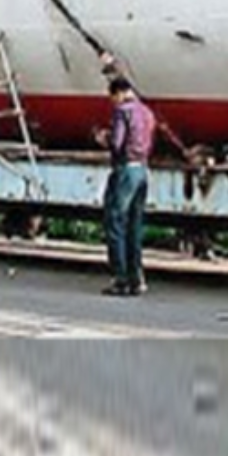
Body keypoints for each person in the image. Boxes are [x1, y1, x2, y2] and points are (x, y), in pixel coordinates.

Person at [95, 77, 155, 297]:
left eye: (112, 98)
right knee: (134, 226)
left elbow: (117, 143)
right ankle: (137, 278)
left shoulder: (123, 111)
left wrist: (104, 138)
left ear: (118, 93)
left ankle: (120, 279)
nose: (113, 103)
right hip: (142, 170)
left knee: (115, 222)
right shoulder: (147, 112)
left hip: (125, 171)